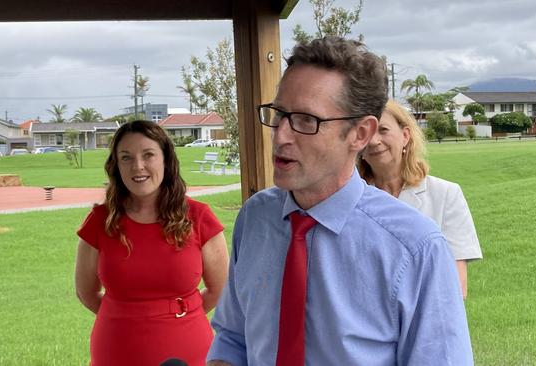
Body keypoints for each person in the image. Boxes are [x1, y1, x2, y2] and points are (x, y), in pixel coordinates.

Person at [207, 36, 473, 366]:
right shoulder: (256, 217)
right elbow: (233, 338)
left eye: (307, 120)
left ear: (360, 134)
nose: (281, 135)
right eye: (279, 114)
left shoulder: (416, 248)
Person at [74, 120, 229, 366]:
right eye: (126, 157)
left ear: (166, 160)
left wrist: (180, 313)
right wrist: (127, 314)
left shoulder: (199, 217)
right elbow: (86, 293)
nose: (138, 166)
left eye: (148, 155)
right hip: (115, 350)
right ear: (116, 166)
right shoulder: (100, 221)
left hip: (187, 351)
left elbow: (219, 290)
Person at [358, 100, 483, 299]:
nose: (374, 140)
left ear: (405, 136)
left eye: (383, 130)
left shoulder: (446, 195)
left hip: (427, 320)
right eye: (366, 132)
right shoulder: (350, 200)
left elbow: (457, 287)